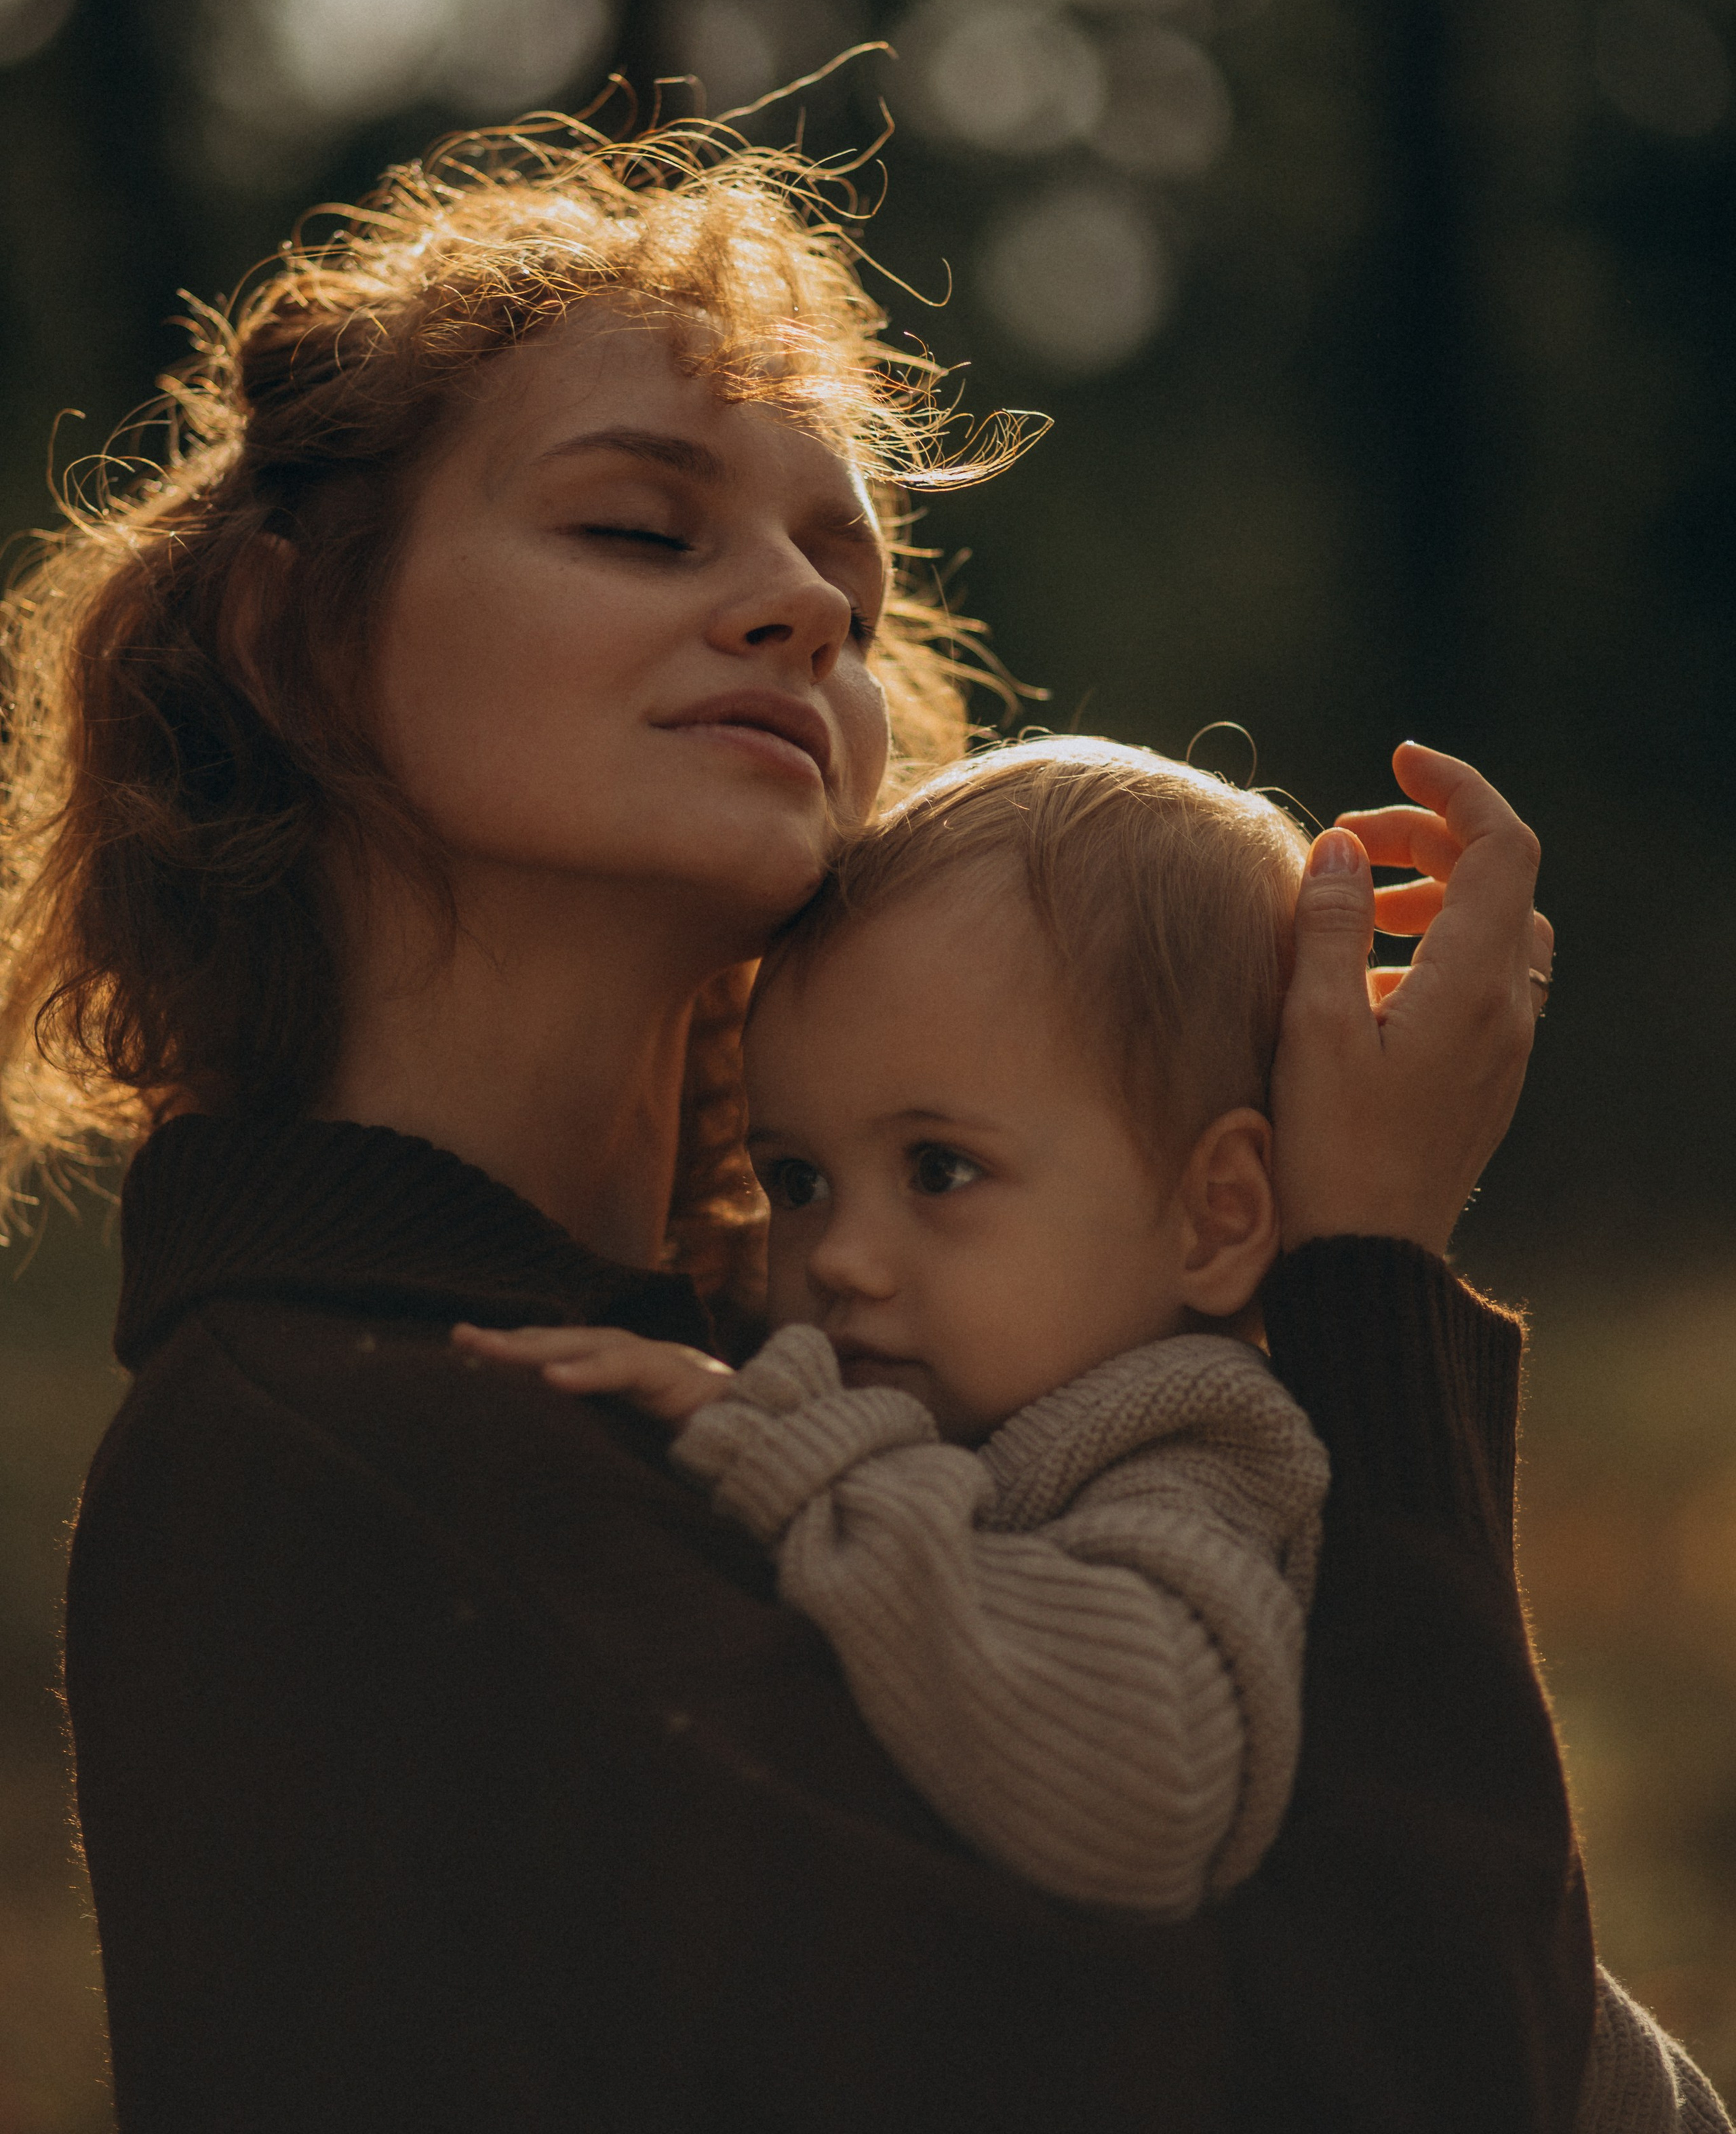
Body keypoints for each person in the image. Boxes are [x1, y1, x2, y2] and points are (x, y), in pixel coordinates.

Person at [0, 114, 1703, 2129]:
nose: (801, 609)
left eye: (850, 575)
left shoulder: (822, 1380)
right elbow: (1401, 2081)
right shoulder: (341, 1462)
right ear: (292, 638)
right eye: (645, 526)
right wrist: (1371, 1281)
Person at [458, 738, 1335, 1920]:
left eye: (939, 1167)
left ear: (1214, 1215)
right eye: (798, 1180)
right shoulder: (975, 1410)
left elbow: (1139, 1788)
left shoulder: (1200, 1452)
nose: (840, 1257)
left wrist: (784, 1455)